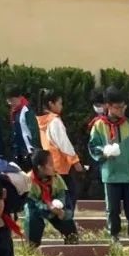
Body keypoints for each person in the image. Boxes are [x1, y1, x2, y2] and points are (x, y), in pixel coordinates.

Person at [88, 87, 129, 247]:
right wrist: (104, 151)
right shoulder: (99, 125)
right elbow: (93, 146)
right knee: (112, 209)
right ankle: (114, 236)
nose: (121, 110)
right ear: (108, 106)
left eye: (123, 107)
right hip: (110, 175)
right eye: (117, 107)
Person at [36, 91, 83, 220]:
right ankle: (67, 224)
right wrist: (75, 161)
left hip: (50, 166)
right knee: (68, 198)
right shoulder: (54, 121)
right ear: (51, 104)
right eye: (60, 103)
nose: (61, 106)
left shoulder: (41, 121)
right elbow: (64, 143)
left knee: (57, 198)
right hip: (61, 167)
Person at [23, 149, 77, 248]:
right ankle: (31, 248)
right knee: (32, 218)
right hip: (38, 209)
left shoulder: (56, 178)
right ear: (40, 167)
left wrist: (62, 211)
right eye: (51, 164)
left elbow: (64, 197)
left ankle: (72, 247)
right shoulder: (28, 180)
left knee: (69, 224)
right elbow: (32, 203)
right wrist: (48, 208)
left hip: (55, 209)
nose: (54, 167)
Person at [6, 87, 41, 172]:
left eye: (12, 100)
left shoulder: (26, 110)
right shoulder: (14, 111)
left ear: (19, 97)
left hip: (29, 150)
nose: (10, 103)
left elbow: (34, 131)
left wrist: (35, 148)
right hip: (19, 151)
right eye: (8, 101)